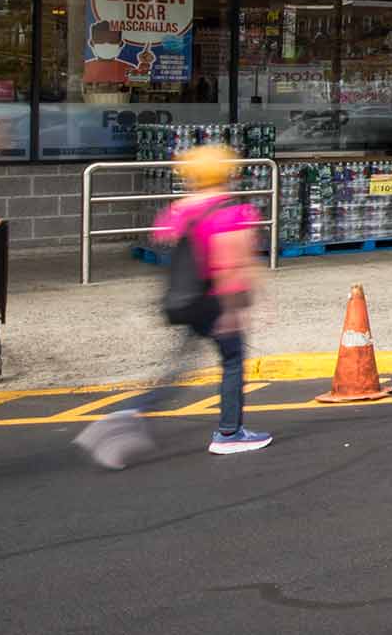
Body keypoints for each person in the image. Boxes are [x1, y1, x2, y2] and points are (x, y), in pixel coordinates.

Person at [74, 144, 271, 467]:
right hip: (215, 302)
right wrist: (235, 309)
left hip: (184, 300)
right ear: (229, 173)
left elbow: (164, 234)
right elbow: (231, 266)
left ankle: (129, 414)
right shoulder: (232, 213)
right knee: (233, 360)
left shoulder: (181, 209)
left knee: (178, 368)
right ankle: (229, 433)